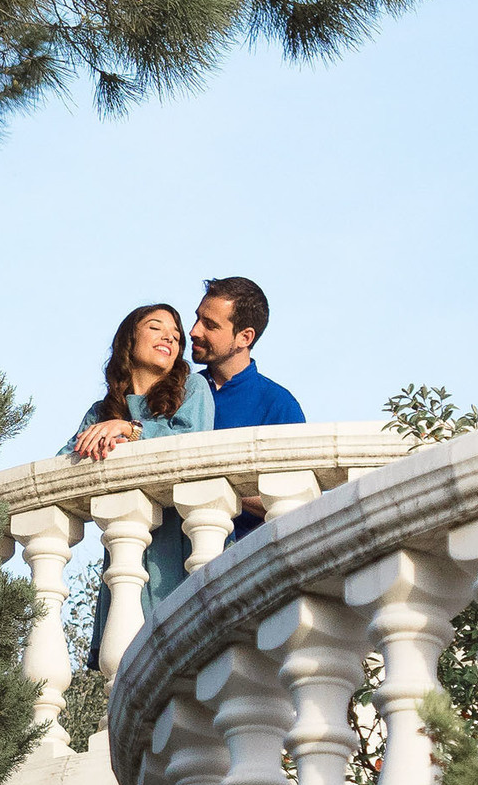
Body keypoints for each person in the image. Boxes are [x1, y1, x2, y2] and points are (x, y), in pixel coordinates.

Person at [63, 303, 212, 662]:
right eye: (156, 328)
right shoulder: (101, 412)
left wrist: (130, 431)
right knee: (124, 663)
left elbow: (191, 438)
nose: (170, 338)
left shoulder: (193, 388)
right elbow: (65, 461)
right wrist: (100, 442)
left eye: (176, 335)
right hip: (125, 552)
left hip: (178, 546)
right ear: (129, 340)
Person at [189, 275, 303, 532]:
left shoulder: (278, 405)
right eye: (197, 318)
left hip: (242, 551)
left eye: (210, 325)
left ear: (245, 337)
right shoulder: (178, 392)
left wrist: (218, 481)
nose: (194, 331)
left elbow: (292, 501)